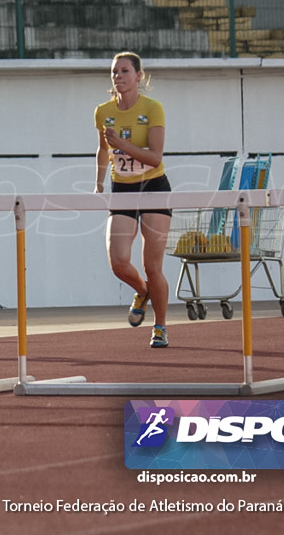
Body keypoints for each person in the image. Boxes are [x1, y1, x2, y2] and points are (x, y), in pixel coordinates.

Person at [94, 52, 172, 348]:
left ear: (139, 76)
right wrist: (98, 181)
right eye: (114, 72)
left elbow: (154, 158)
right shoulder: (102, 111)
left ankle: (161, 327)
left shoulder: (153, 108)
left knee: (152, 266)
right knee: (118, 261)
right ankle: (142, 291)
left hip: (154, 186)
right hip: (122, 188)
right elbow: (102, 149)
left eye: (124, 71)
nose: (118, 76)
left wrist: (123, 144)